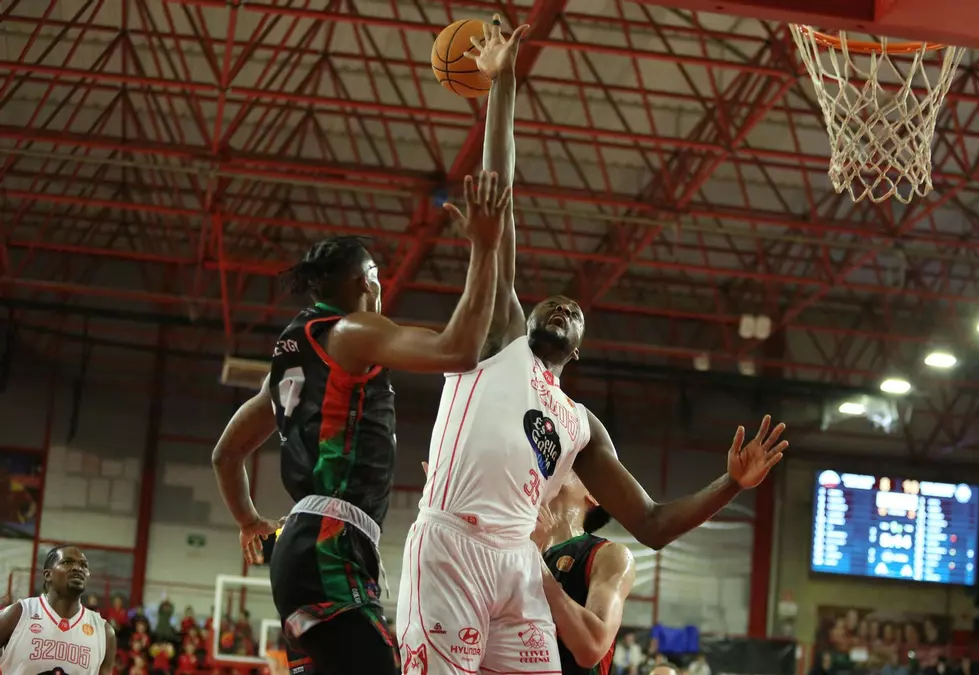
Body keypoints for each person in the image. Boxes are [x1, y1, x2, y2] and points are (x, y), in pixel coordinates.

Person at [395, 15, 789, 675]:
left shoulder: (580, 425)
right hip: (452, 542)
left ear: (575, 351)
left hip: (518, 561)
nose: (567, 306)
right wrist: (502, 85)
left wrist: (732, 482)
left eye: (577, 312)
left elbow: (653, 522)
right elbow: (503, 197)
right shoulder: (498, 339)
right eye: (554, 303)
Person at [211, 170, 512, 674]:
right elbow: (459, 349)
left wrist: (248, 520)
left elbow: (226, 454)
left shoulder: (291, 358)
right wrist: (485, 247)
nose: (380, 283)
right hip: (329, 546)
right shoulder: (351, 331)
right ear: (362, 281)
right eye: (376, 273)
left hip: (306, 545)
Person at [536, 472, 634, 675]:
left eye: (573, 466)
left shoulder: (608, 554)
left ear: (594, 495)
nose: (560, 464)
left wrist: (533, 561)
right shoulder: (511, 548)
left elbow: (592, 647)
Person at [0, 545, 116, 674]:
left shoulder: (104, 632)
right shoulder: (18, 613)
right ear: (48, 575)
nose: (78, 568)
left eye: (84, 565)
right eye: (67, 562)